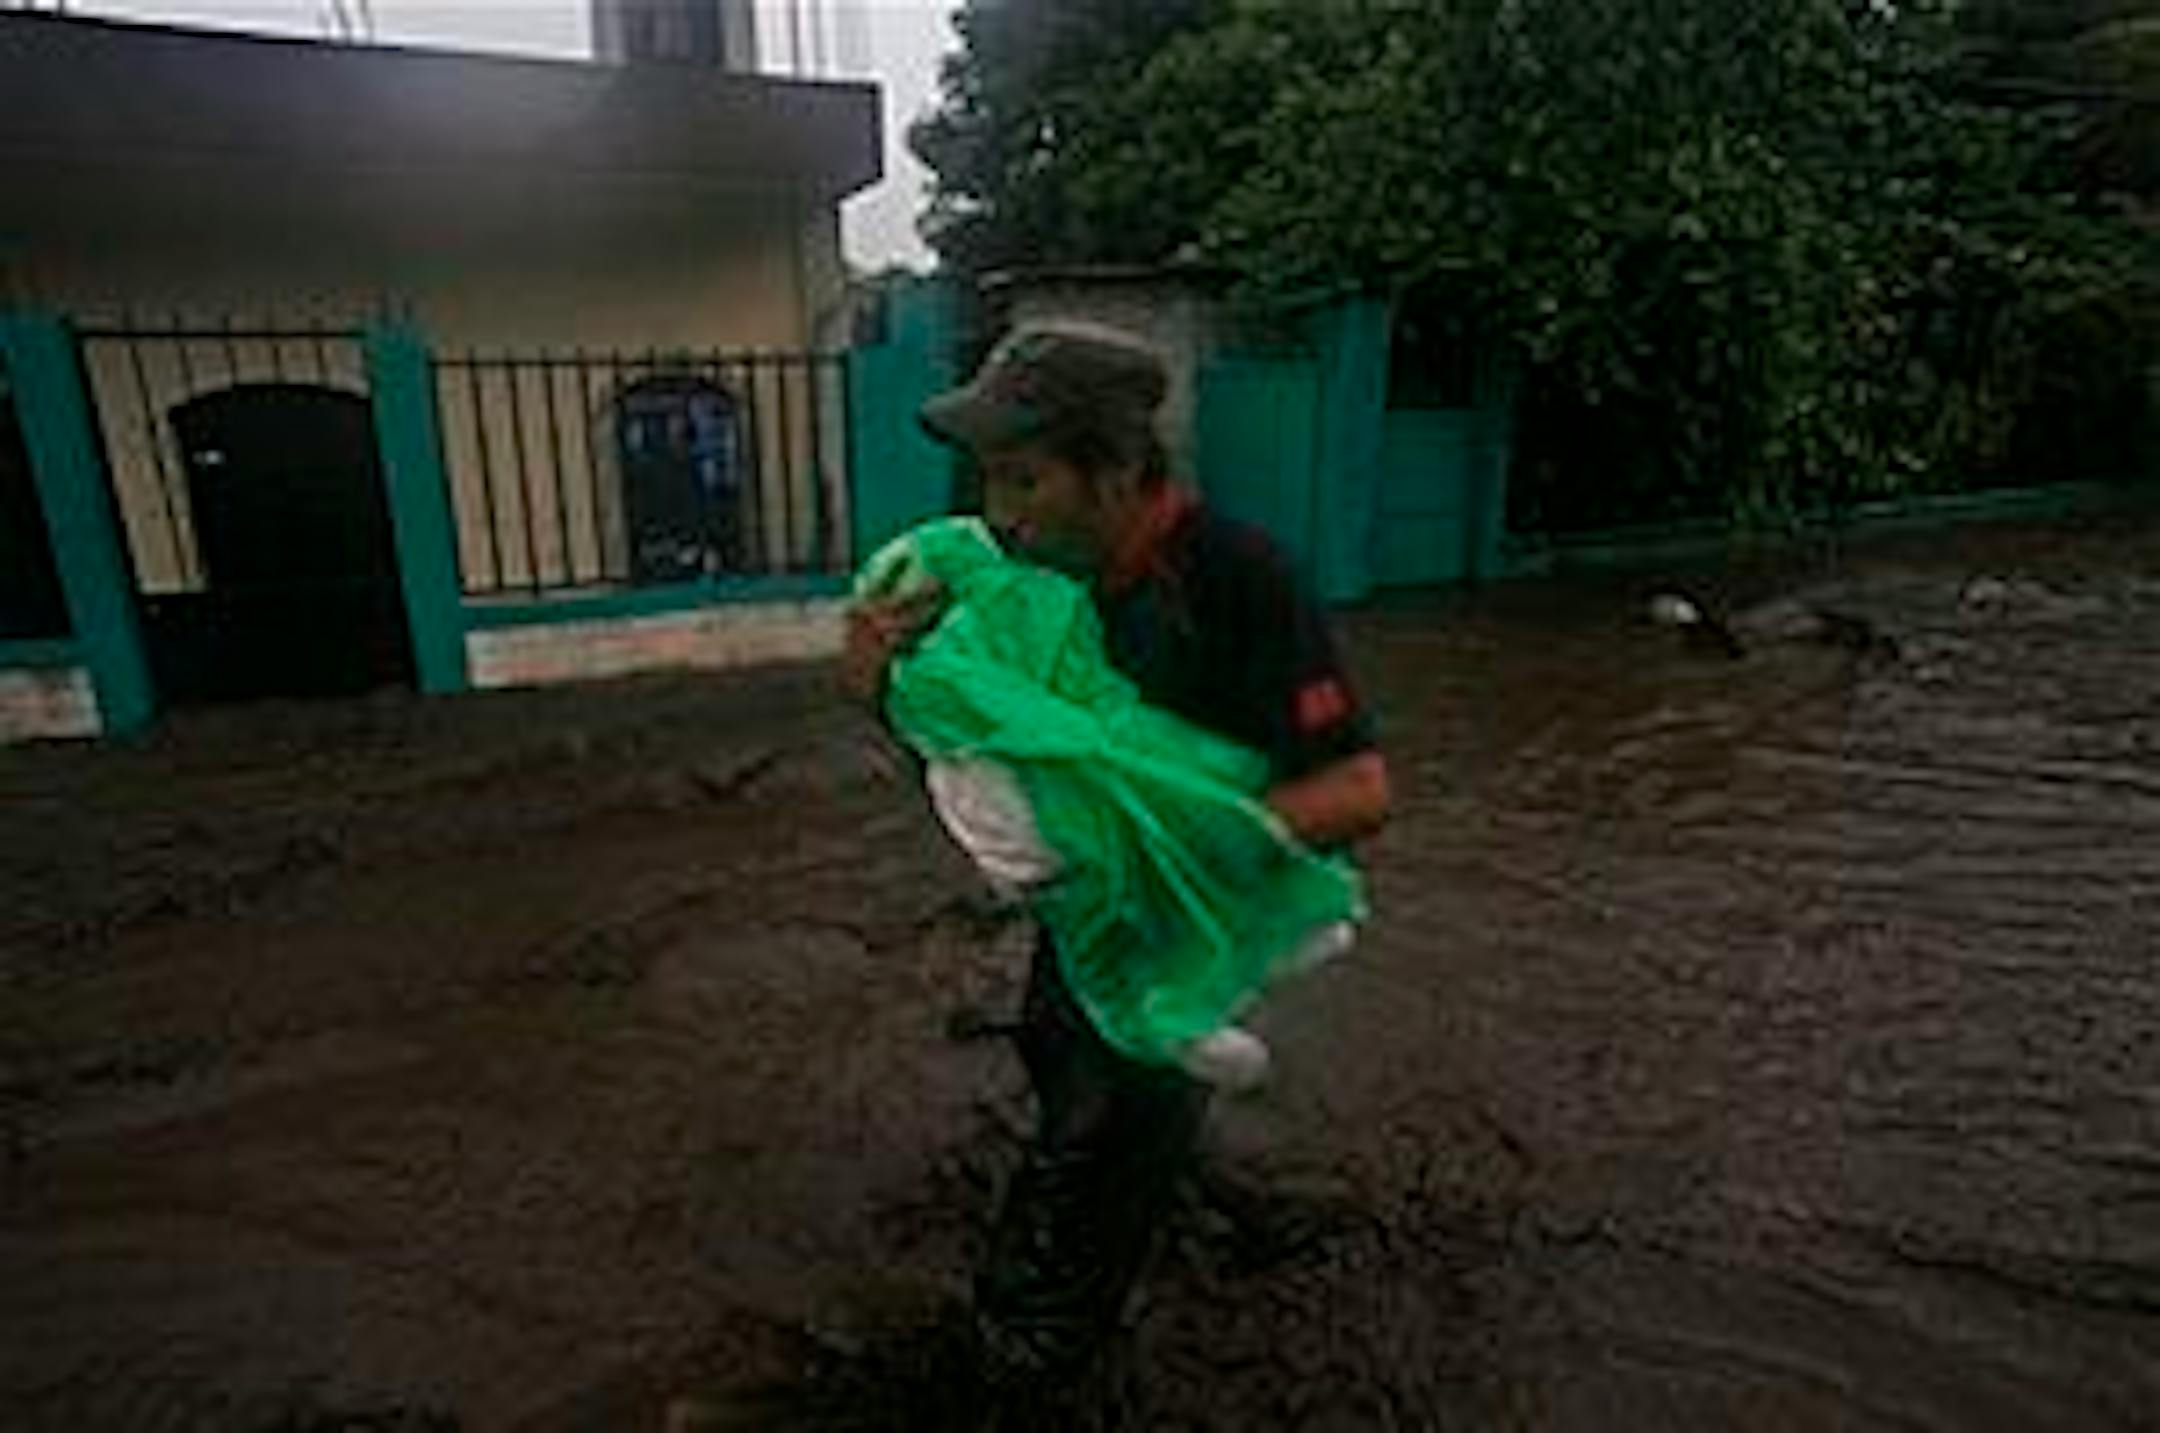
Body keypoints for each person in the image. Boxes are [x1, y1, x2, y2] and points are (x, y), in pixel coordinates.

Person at [844, 319, 1390, 1419]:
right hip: (1087, 935)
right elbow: (981, 780)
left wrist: (1171, 826)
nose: (998, 512)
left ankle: (1020, 1365)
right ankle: (1225, 1202)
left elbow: (1359, 794)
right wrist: (877, 687)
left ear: (1121, 470)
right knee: (1060, 1056)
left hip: (1178, 935)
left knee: (1086, 1156)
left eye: (1025, 477)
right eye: (988, 479)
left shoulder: (1240, 579)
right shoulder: (1018, 585)